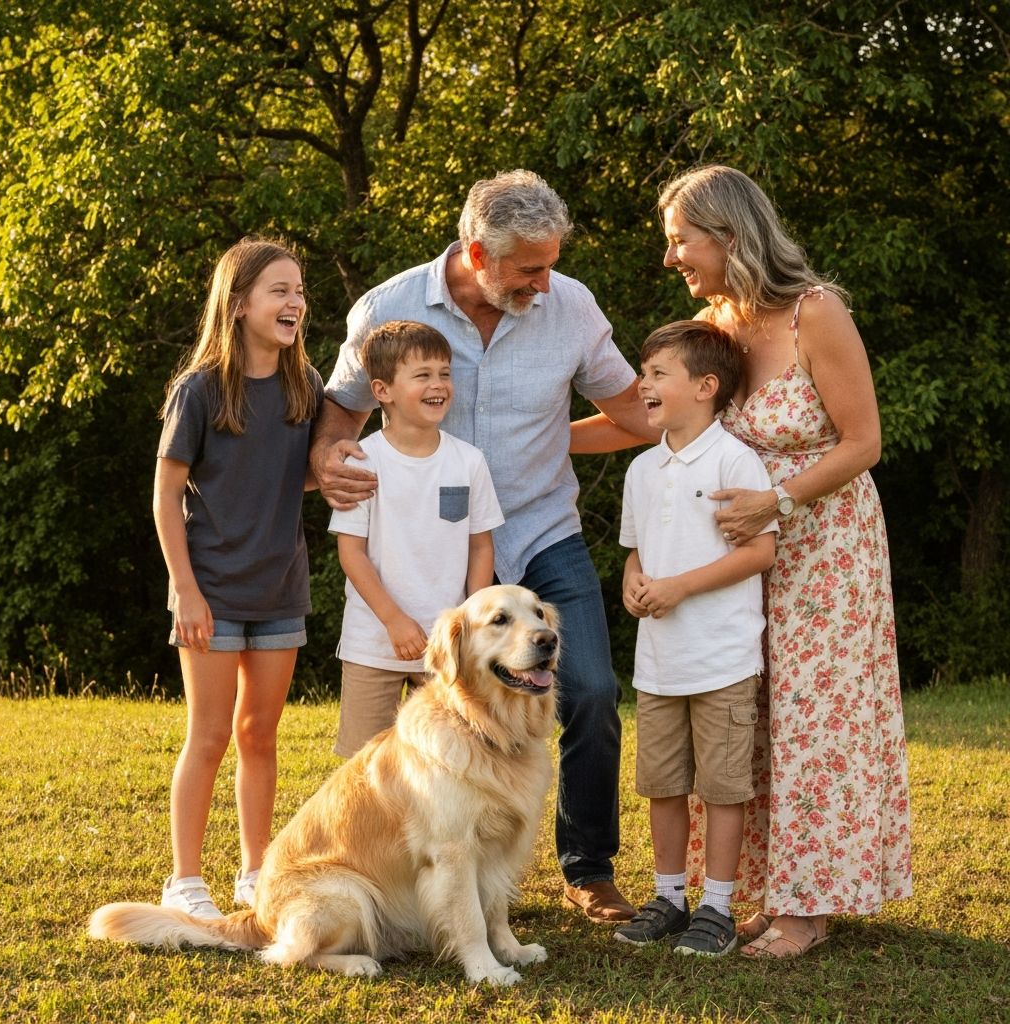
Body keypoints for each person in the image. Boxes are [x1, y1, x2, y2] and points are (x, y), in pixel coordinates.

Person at [313, 169, 659, 923]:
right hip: (432, 553)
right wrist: (331, 469)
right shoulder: (389, 308)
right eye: (530, 267)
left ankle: (589, 869)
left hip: (540, 535)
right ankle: (397, 885)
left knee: (594, 691)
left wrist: (552, 441)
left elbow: (635, 415)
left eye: (551, 262)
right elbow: (338, 423)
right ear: (476, 251)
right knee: (402, 741)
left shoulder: (570, 308)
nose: (546, 280)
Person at [653, 164, 913, 957]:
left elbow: (864, 442)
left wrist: (779, 501)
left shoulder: (816, 313)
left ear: (727, 237)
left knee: (816, 720)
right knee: (753, 719)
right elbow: (650, 414)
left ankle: (812, 906)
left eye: (679, 242)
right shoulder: (719, 327)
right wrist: (534, 438)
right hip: (742, 557)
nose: (672, 260)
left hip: (827, 550)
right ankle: (771, 888)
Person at [153, 237, 322, 918]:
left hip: (280, 590)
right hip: (212, 593)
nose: (295, 302)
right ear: (241, 301)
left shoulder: (304, 387)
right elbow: (166, 495)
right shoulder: (198, 391)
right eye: (280, 290)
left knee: (260, 735)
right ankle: (185, 880)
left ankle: (255, 872)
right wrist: (186, 590)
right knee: (211, 735)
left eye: (301, 291)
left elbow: (304, 475)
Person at [612, 320, 777, 956]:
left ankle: (719, 906)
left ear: (706, 386)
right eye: (644, 372)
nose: (643, 384)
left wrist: (680, 587)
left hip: (722, 658)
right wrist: (635, 584)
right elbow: (635, 555)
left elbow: (760, 552)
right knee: (663, 783)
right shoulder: (642, 468)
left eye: (658, 374)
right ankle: (670, 898)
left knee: (724, 786)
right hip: (658, 664)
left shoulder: (735, 458)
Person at [328, 319, 504, 756]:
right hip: (374, 641)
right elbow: (351, 554)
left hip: (447, 651)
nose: (438, 384)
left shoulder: (469, 461)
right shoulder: (365, 461)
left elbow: (480, 545)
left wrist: (471, 626)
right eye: (422, 375)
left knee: (449, 761)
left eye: (445, 373)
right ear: (383, 390)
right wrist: (394, 621)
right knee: (363, 767)